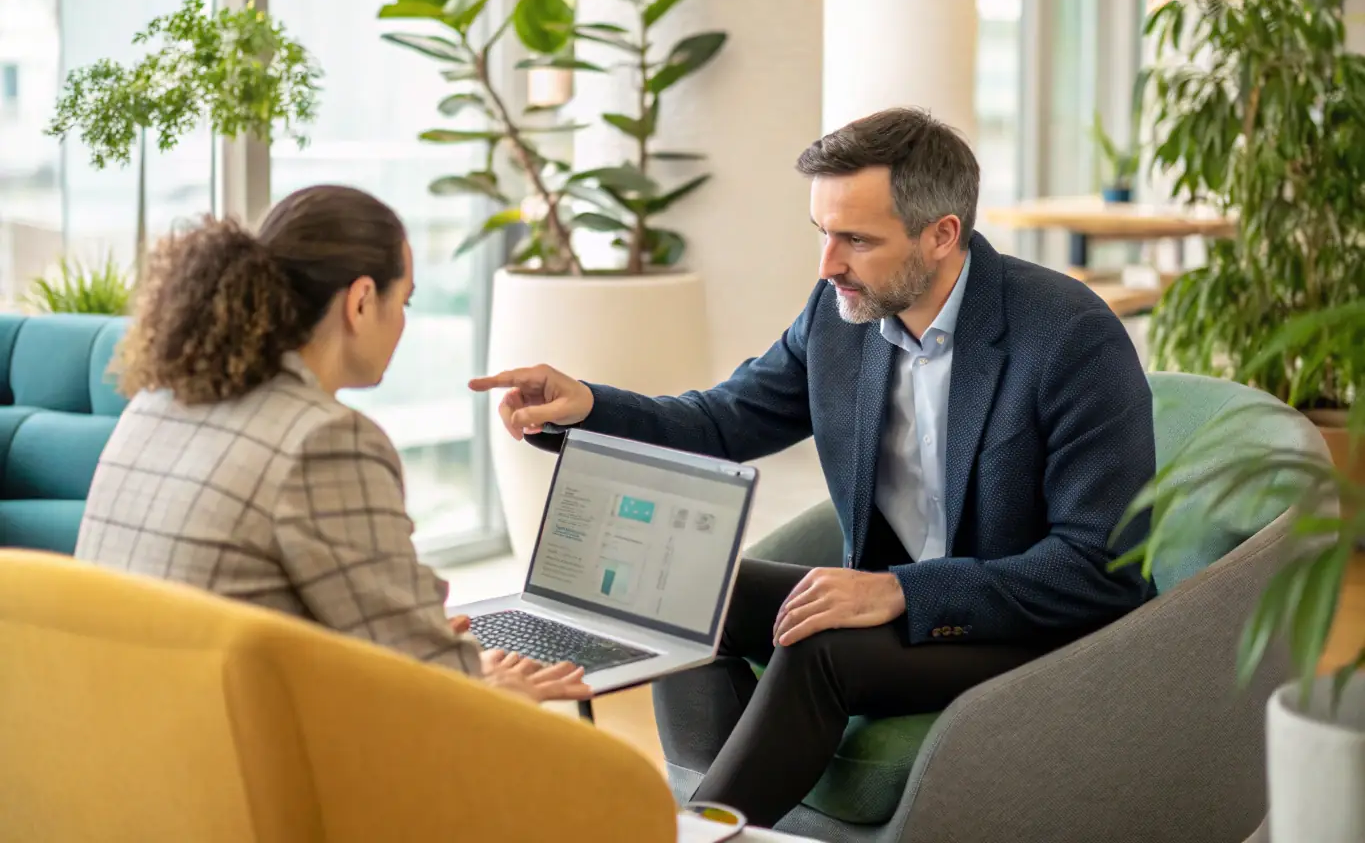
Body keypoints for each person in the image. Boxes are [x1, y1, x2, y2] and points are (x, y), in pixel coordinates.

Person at [469, 107, 1157, 826]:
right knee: (691, 588)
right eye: (822, 233)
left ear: (942, 234)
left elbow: (1098, 571)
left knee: (821, 645)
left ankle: (699, 834)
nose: (827, 265)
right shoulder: (839, 317)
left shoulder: (1068, 336)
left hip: (1024, 622)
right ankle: (726, 814)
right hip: (903, 596)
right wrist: (585, 406)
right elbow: (720, 420)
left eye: (856, 240)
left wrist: (903, 593)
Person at [76, 185, 588, 705]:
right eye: (405, 300)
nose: (405, 321)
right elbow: (433, 688)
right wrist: (473, 675)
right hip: (233, 770)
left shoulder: (157, 402)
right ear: (362, 300)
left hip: (120, 749)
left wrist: (427, 642)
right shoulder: (324, 440)